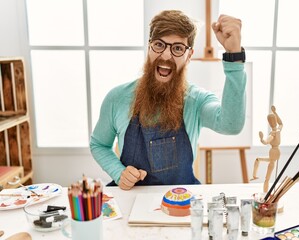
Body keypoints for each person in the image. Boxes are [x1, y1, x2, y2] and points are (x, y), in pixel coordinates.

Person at [90, 10, 247, 190]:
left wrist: (234, 56)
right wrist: (119, 172)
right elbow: (99, 144)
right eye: (159, 45)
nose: (166, 56)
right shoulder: (117, 98)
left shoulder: (196, 101)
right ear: (149, 46)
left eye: (178, 48)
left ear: (189, 56)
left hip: (182, 202)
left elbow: (231, 125)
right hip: (131, 199)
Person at [251, 106, 283, 193]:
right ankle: (254, 176)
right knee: (258, 159)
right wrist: (275, 112)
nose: (271, 122)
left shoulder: (273, 133)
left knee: (267, 178)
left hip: (273, 155)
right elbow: (281, 123)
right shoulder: (278, 130)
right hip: (275, 153)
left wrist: (261, 139)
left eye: (271, 121)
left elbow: (266, 142)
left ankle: (265, 195)